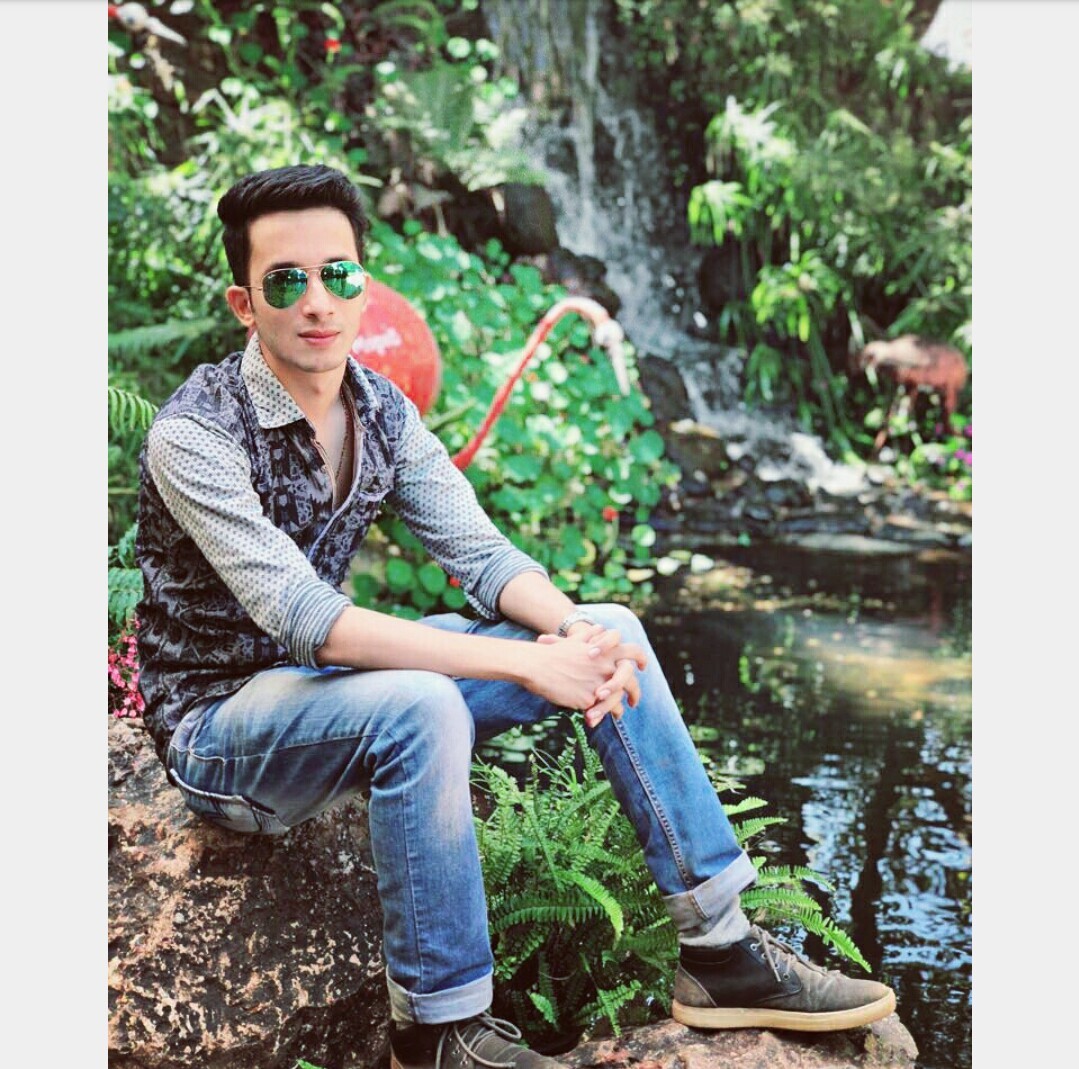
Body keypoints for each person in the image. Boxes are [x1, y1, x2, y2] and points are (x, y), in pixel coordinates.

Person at [134, 164, 897, 1069]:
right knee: (421, 701)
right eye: (285, 280)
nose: (316, 300)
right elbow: (305, 616)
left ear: (363, 284)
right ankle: (440, 1031)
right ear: (243, 303)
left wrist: (572, 636)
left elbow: (482, 555)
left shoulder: (380, 409)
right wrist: (526, 664)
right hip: (224, 728)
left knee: (612, 626)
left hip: (328, 690)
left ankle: (720, 948)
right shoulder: (195, 432)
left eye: (337, 273)